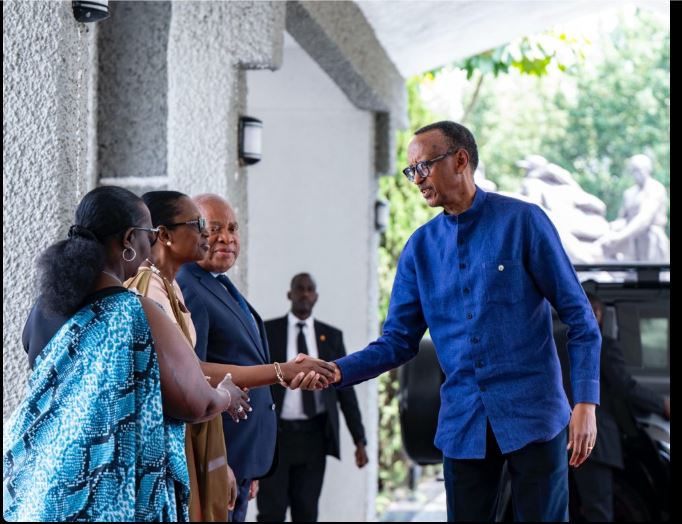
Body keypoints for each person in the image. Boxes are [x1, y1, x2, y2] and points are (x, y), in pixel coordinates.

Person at [328, 121, 601, 522]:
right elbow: (398, 341)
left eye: (424, 166)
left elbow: (580, 318)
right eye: (411, 170)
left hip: (535, 416)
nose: (417, 179)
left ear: (460, 160)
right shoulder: (419, 248)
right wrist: (337, 371)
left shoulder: (524, 222)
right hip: (463, 424)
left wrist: (586, 404)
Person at [7, 186, 249, 522]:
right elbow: (196, 403)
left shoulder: (45, 308)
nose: (152, 246)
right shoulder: (136, 312)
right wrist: (226, 395)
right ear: (128, 240)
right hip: (111, 498)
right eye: (149, 235)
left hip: (40, 491)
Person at [177, 194, 334, 522]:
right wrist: (220, 462)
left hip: (243, 459)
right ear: (193, 232)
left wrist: (249, 464)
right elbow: (194, 379)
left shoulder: (219, 284)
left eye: (233, 228)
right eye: (214, 229)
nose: (226, 238)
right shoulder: (189, 287)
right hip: (220, 460)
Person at [257, 273, 368, 522]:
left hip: (313, 438)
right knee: (271, 512)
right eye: (300, 288)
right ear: (290, 294)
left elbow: (346, 392)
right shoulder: (268, 331)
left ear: (316, 296)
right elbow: (257, 384)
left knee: (306, 512)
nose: (305, 294)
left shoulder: (331, 336)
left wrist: (359, 440)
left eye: (310, 289)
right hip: (276, 437)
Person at [559, 291, 670, 521]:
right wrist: (663, 404)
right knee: (598, 510)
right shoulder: (603, 346)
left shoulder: (553, 343)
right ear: (599, 314)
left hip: (555, 439)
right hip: (594, 443)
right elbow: (625, 385)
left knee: (560, 508)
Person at [596, 154, 669, 262]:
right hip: (632, 243)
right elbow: (623, 219)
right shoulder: (629, 193)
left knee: (651, 271)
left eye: (639, 169)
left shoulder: (655, 188)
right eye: (634, 170)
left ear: (648, 169)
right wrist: (608, 228)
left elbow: (644, 219)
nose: (637, 174)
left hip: (652, 243)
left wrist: (619, 236)